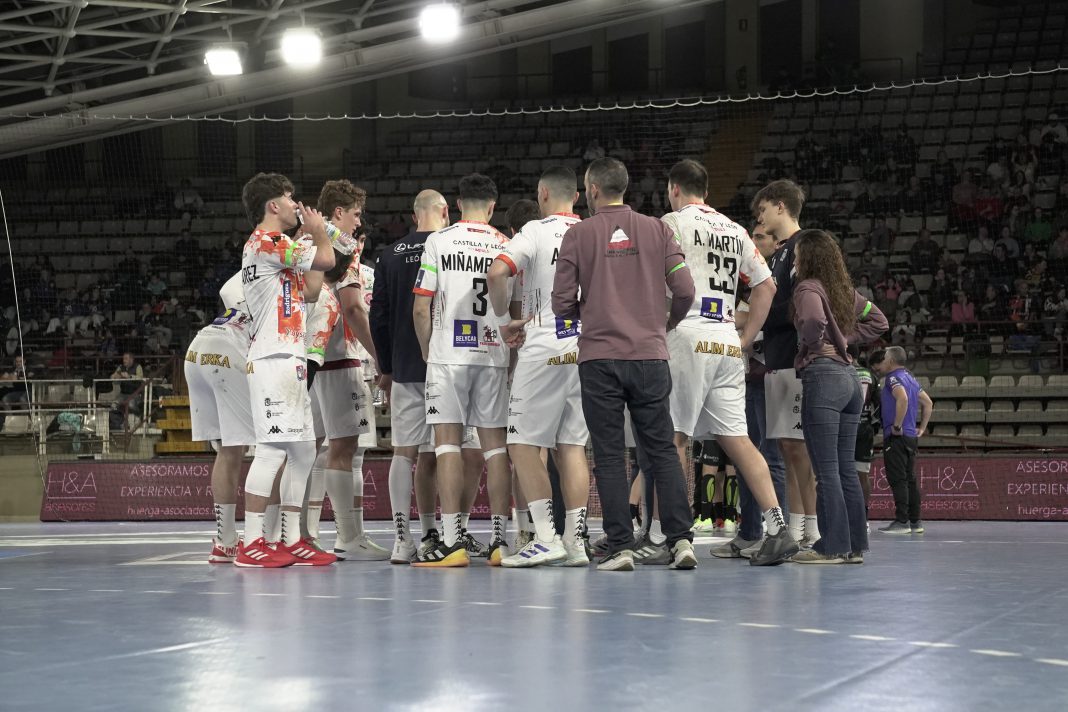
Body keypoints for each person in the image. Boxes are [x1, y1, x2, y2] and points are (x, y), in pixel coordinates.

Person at [551, 157, 698, 572]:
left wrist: (590, 311)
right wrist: (666, 322)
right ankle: (681, 541)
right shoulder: (658, 229)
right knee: (662, 451)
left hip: (600, 358)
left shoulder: (578, 235)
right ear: (625, 188)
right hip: (651, 355)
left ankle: (619, 547)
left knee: (611, 454)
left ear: (592, 190)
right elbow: (685, 289)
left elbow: (561, 303)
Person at [659, 159, 795, 566]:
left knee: (674, 440)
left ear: (674, 189)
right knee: (739, 440)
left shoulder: (671, 221)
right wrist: (747, 336)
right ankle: (777, 528)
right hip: (726, 342)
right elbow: (767, 286)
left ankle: (671, 536)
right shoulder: (736, 230)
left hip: (687, 336)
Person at [411, 173, 518, 567]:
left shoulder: (438, 241)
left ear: (457, 205)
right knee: (495, 449)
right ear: (492, 206)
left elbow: (421, 306)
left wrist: (427, 351)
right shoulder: (506, 245)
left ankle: (453, 541)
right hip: (492, 353)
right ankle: (498, 542)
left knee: (448, 446)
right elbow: (515, 309)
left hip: (448, 355)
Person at [487, 166, 591, 568]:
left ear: (542, 193)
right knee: (572, 445)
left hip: (543, 341)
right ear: (578, 197)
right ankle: (576, 541)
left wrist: (502, 323)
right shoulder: (593, 232)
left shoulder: (534, 230)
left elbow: (498, 272)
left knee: (522, 443)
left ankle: (545, 536)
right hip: (585, 345)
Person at [234, 172, 337, 568]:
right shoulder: (266, 241)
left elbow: (311, 291)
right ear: (273, 205)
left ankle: (292, 538)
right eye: (290, 198)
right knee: (272, 449)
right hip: (271, 358)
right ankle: (252, 541)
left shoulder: (282, 247)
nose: (297, 204)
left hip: (290, 357)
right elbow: (329, 259)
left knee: (302, 449)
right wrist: (318, 235)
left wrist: (309, 241)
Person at [789, 230, 888, 564]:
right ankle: (854, 546)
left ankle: (831, 546)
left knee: (826, 470)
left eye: (798, 254)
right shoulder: (845, 291)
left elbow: (814, 320)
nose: (795, 260)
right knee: (846, 468)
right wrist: (845, 338)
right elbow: (879, 321)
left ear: (808, 258)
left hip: (824, 377)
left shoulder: (806, 288)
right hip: (849, 379)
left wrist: (814, 342)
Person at [304, 180, 390, 561]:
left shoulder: (305, 238)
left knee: (311, 451)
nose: (359, 222)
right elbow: (353, 308)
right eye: (356, 214)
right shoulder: (342, 243)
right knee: (345, 449)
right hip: (339, 358)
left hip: (310, 359)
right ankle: (349, 536)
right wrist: (381, 357)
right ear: (339, 213)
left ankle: (303, 534)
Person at [371, 190, 448, 563]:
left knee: (405, 453)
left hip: (404, 367)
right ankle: (444, 535)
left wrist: (385, 367)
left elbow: (378, 316)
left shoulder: (389, 254)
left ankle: (405, 540)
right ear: (444, 212)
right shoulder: (452, 246)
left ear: (415, 215)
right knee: (442, 451)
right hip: (446, 365)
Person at [712, 223, 789, 560]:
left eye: (761, 238)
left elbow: (753, 317)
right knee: (742, 453)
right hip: (747, 378)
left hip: (774, 376)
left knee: (771, 458)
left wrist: (740, 322)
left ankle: (779, 531)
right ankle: (749, 532)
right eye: (753, 237)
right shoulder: (748, 287)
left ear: (775, 243)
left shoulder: (776, 284)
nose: (755, 242)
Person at [752, 180, 819, 548]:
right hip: (776, 360)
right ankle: (795, 528)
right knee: (786, 447)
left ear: (780, 207)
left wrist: (754, 320)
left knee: (800, 447)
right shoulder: (777, 255)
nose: (759, 219)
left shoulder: (804, 247)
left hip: (796, 359)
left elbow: (798, 304)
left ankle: (812, 526)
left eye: (763, 210)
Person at [183, 281, 257, 563]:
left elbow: (226, 291)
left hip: (197, 349)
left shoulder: (245, 279)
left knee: (229, 449)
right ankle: (259, 539)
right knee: (269, 448)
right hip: (229, 350)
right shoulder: (293, 289)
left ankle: (225, 541)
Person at [872, 346, 933, 535]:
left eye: (884, 359)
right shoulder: (911, 379)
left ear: (890, 361)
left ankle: (902, 521)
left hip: (897, 436)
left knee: (898, 479)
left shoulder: (892, 379)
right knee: (910, 479)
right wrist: (921, 428)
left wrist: (896, 426)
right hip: (910, 437)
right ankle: (916, 522)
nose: (882, 363)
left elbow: (903, 399)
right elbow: (928, 403)